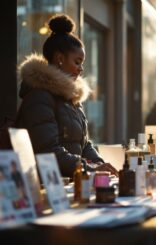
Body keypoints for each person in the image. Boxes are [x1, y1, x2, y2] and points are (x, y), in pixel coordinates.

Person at [16, 14, 117, 178]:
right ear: (60, 59)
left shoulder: (72, 99)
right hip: (48, 189)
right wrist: (90, 169)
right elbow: (48, 151)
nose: (81, 69)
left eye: (82, 63)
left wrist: (99, 164)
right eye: (77, 62)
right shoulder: (39, 98)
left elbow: (84, 145)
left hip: (73, 184)